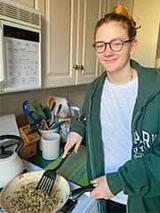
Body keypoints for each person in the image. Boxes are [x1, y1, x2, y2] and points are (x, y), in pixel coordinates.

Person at [63, 4, 160, 213]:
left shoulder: (157, 90)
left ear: (132, 45)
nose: (107, 52)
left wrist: (118, 181)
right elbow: (87, 117)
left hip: (144, 200)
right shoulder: (94, 89)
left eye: (116, 43)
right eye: (101, 45)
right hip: (104, 192)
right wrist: (77, 130)